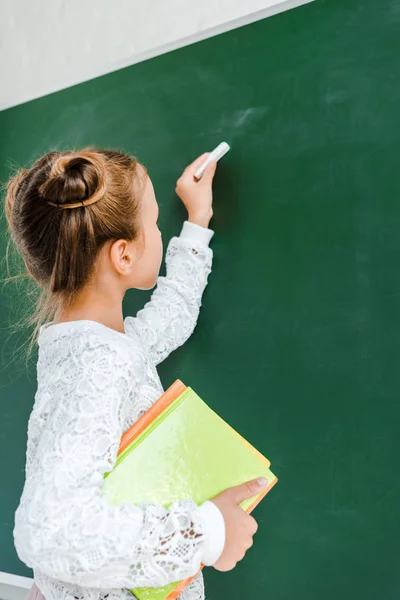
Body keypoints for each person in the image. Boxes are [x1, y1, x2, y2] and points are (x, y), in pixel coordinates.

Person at [5, 148, 268, 600]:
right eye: (155, 225)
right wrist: (209, 532)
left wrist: (196, 221)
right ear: (123, 256)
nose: (159, 234)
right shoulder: (98, 363)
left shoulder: (95, 344)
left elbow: (172, 316)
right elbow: (50, 531)